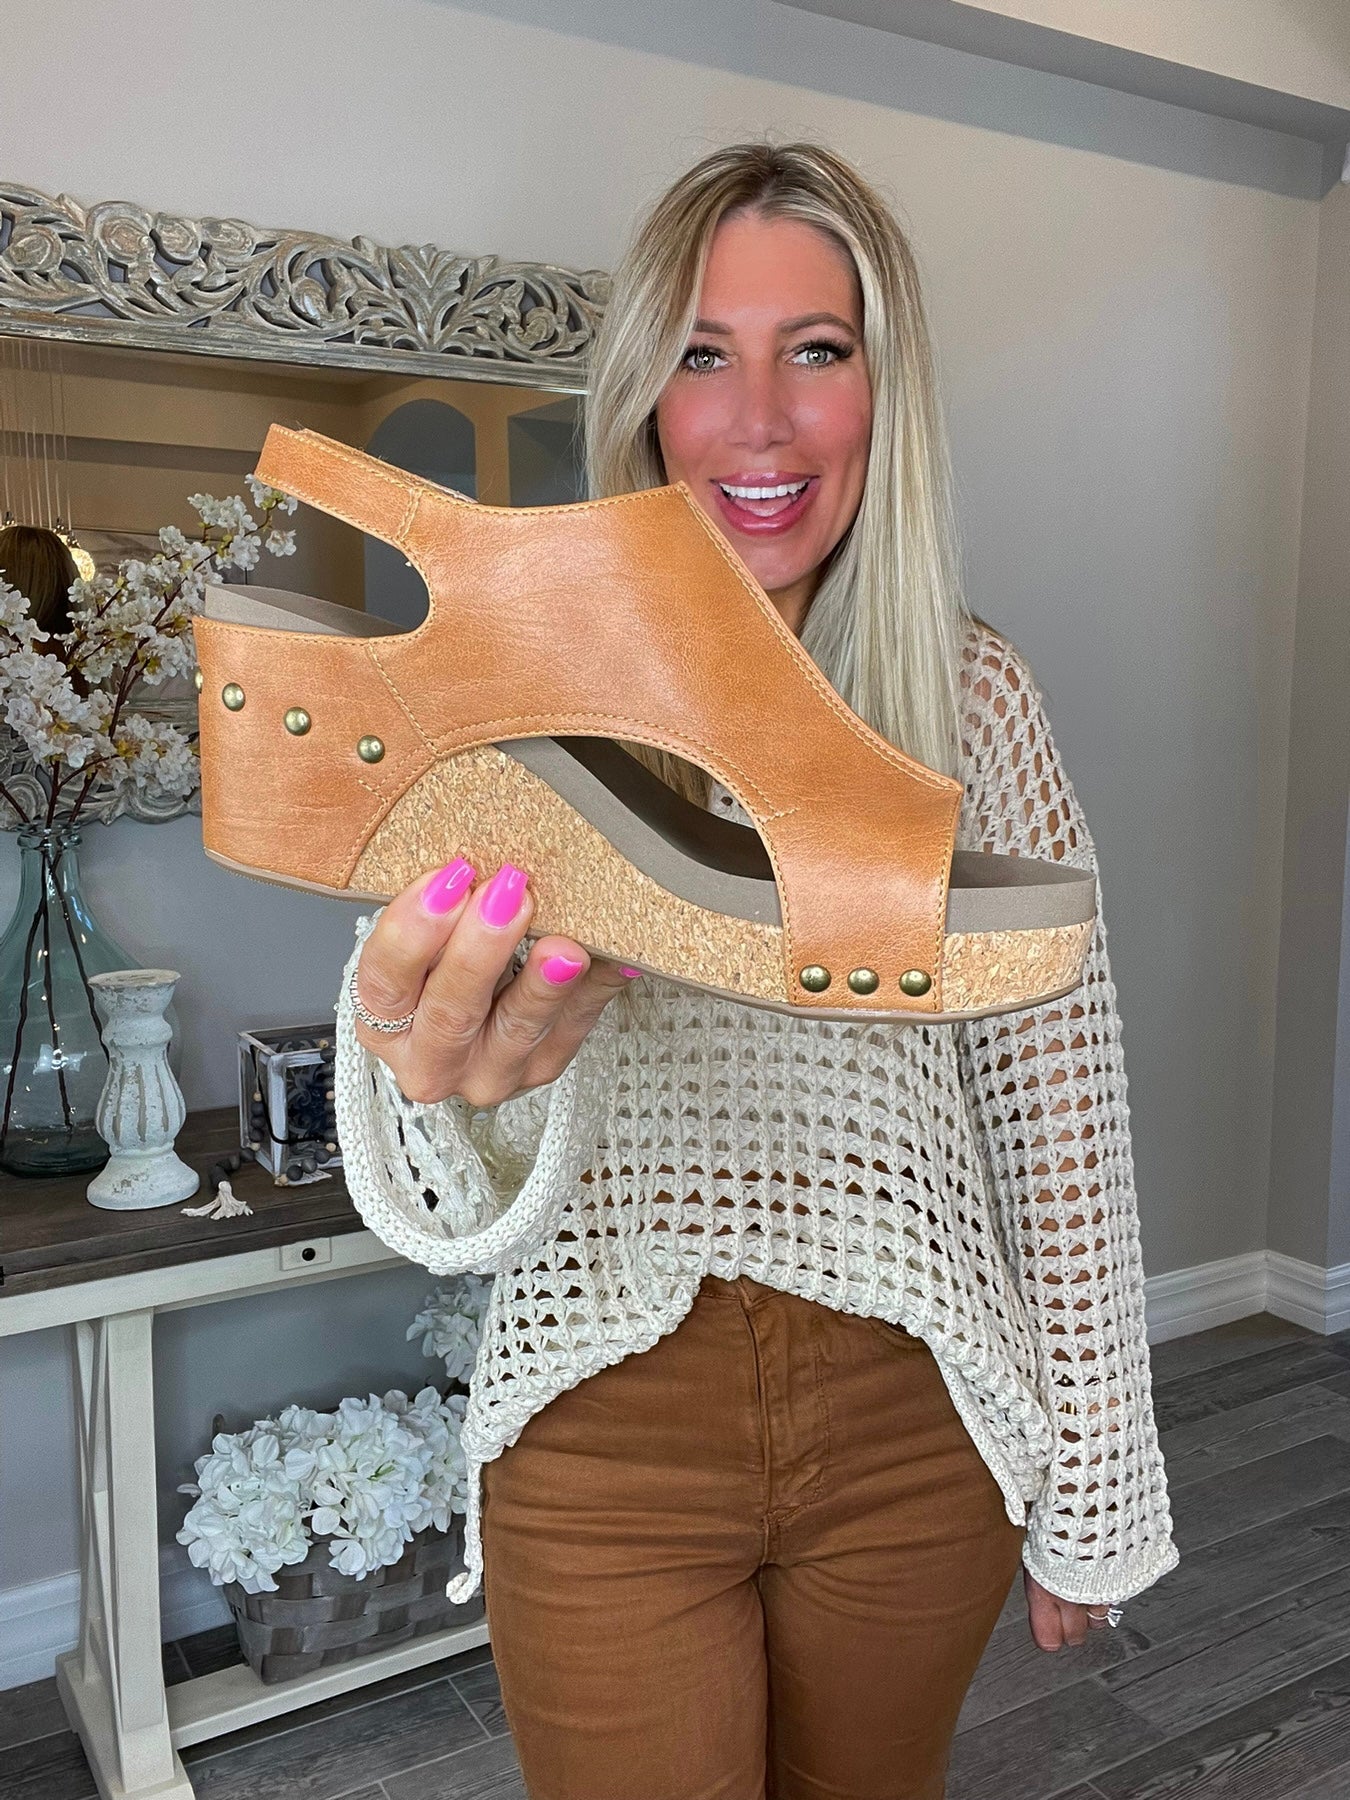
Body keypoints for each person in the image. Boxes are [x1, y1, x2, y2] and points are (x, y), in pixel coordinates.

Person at [335, 140, 1178, 1799]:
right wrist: (440, 1081)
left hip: (915, 1416)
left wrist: (1098, 1479)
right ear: (644, 396)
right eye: (703, 354)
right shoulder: (520, 695)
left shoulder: (969, 701)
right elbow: (432, 1178)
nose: (760, 422)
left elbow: (1059, 1119)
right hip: (602, 1408)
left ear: (883, 390)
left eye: (817, 350)